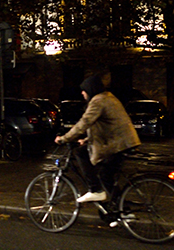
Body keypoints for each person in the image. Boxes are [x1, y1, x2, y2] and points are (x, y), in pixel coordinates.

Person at [54, 74, 140, 203]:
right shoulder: (108, 97)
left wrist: (64, 138)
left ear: (90, 89)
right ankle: (120, 212)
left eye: (84, 90)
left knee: (81, 154)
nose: (82, 94)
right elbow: (107, 125)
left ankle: (95, 190)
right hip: (124, 141)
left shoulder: (98, 101)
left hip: (119, 143)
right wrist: (87, 140)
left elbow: (85, 122)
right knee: (107, 176)